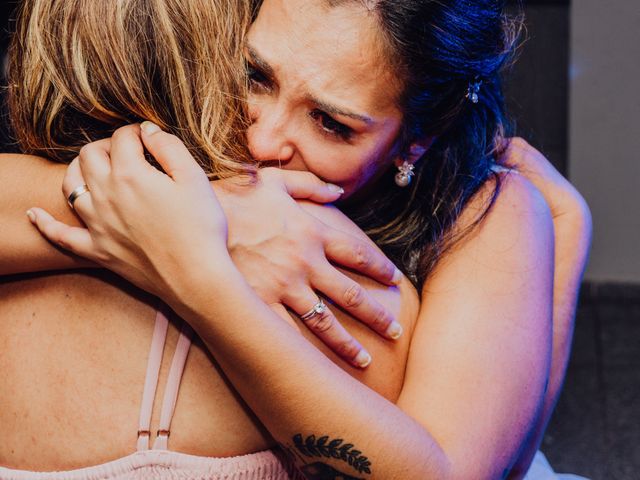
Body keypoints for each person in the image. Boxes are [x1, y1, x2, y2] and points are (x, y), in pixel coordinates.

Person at [0, 0, 591, 478]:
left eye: (331, 123)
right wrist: (220, 216)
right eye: (255, 76)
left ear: (416, 140)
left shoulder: (488, 212)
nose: (261, 142)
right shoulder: (176, 98)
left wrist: (201, 278)